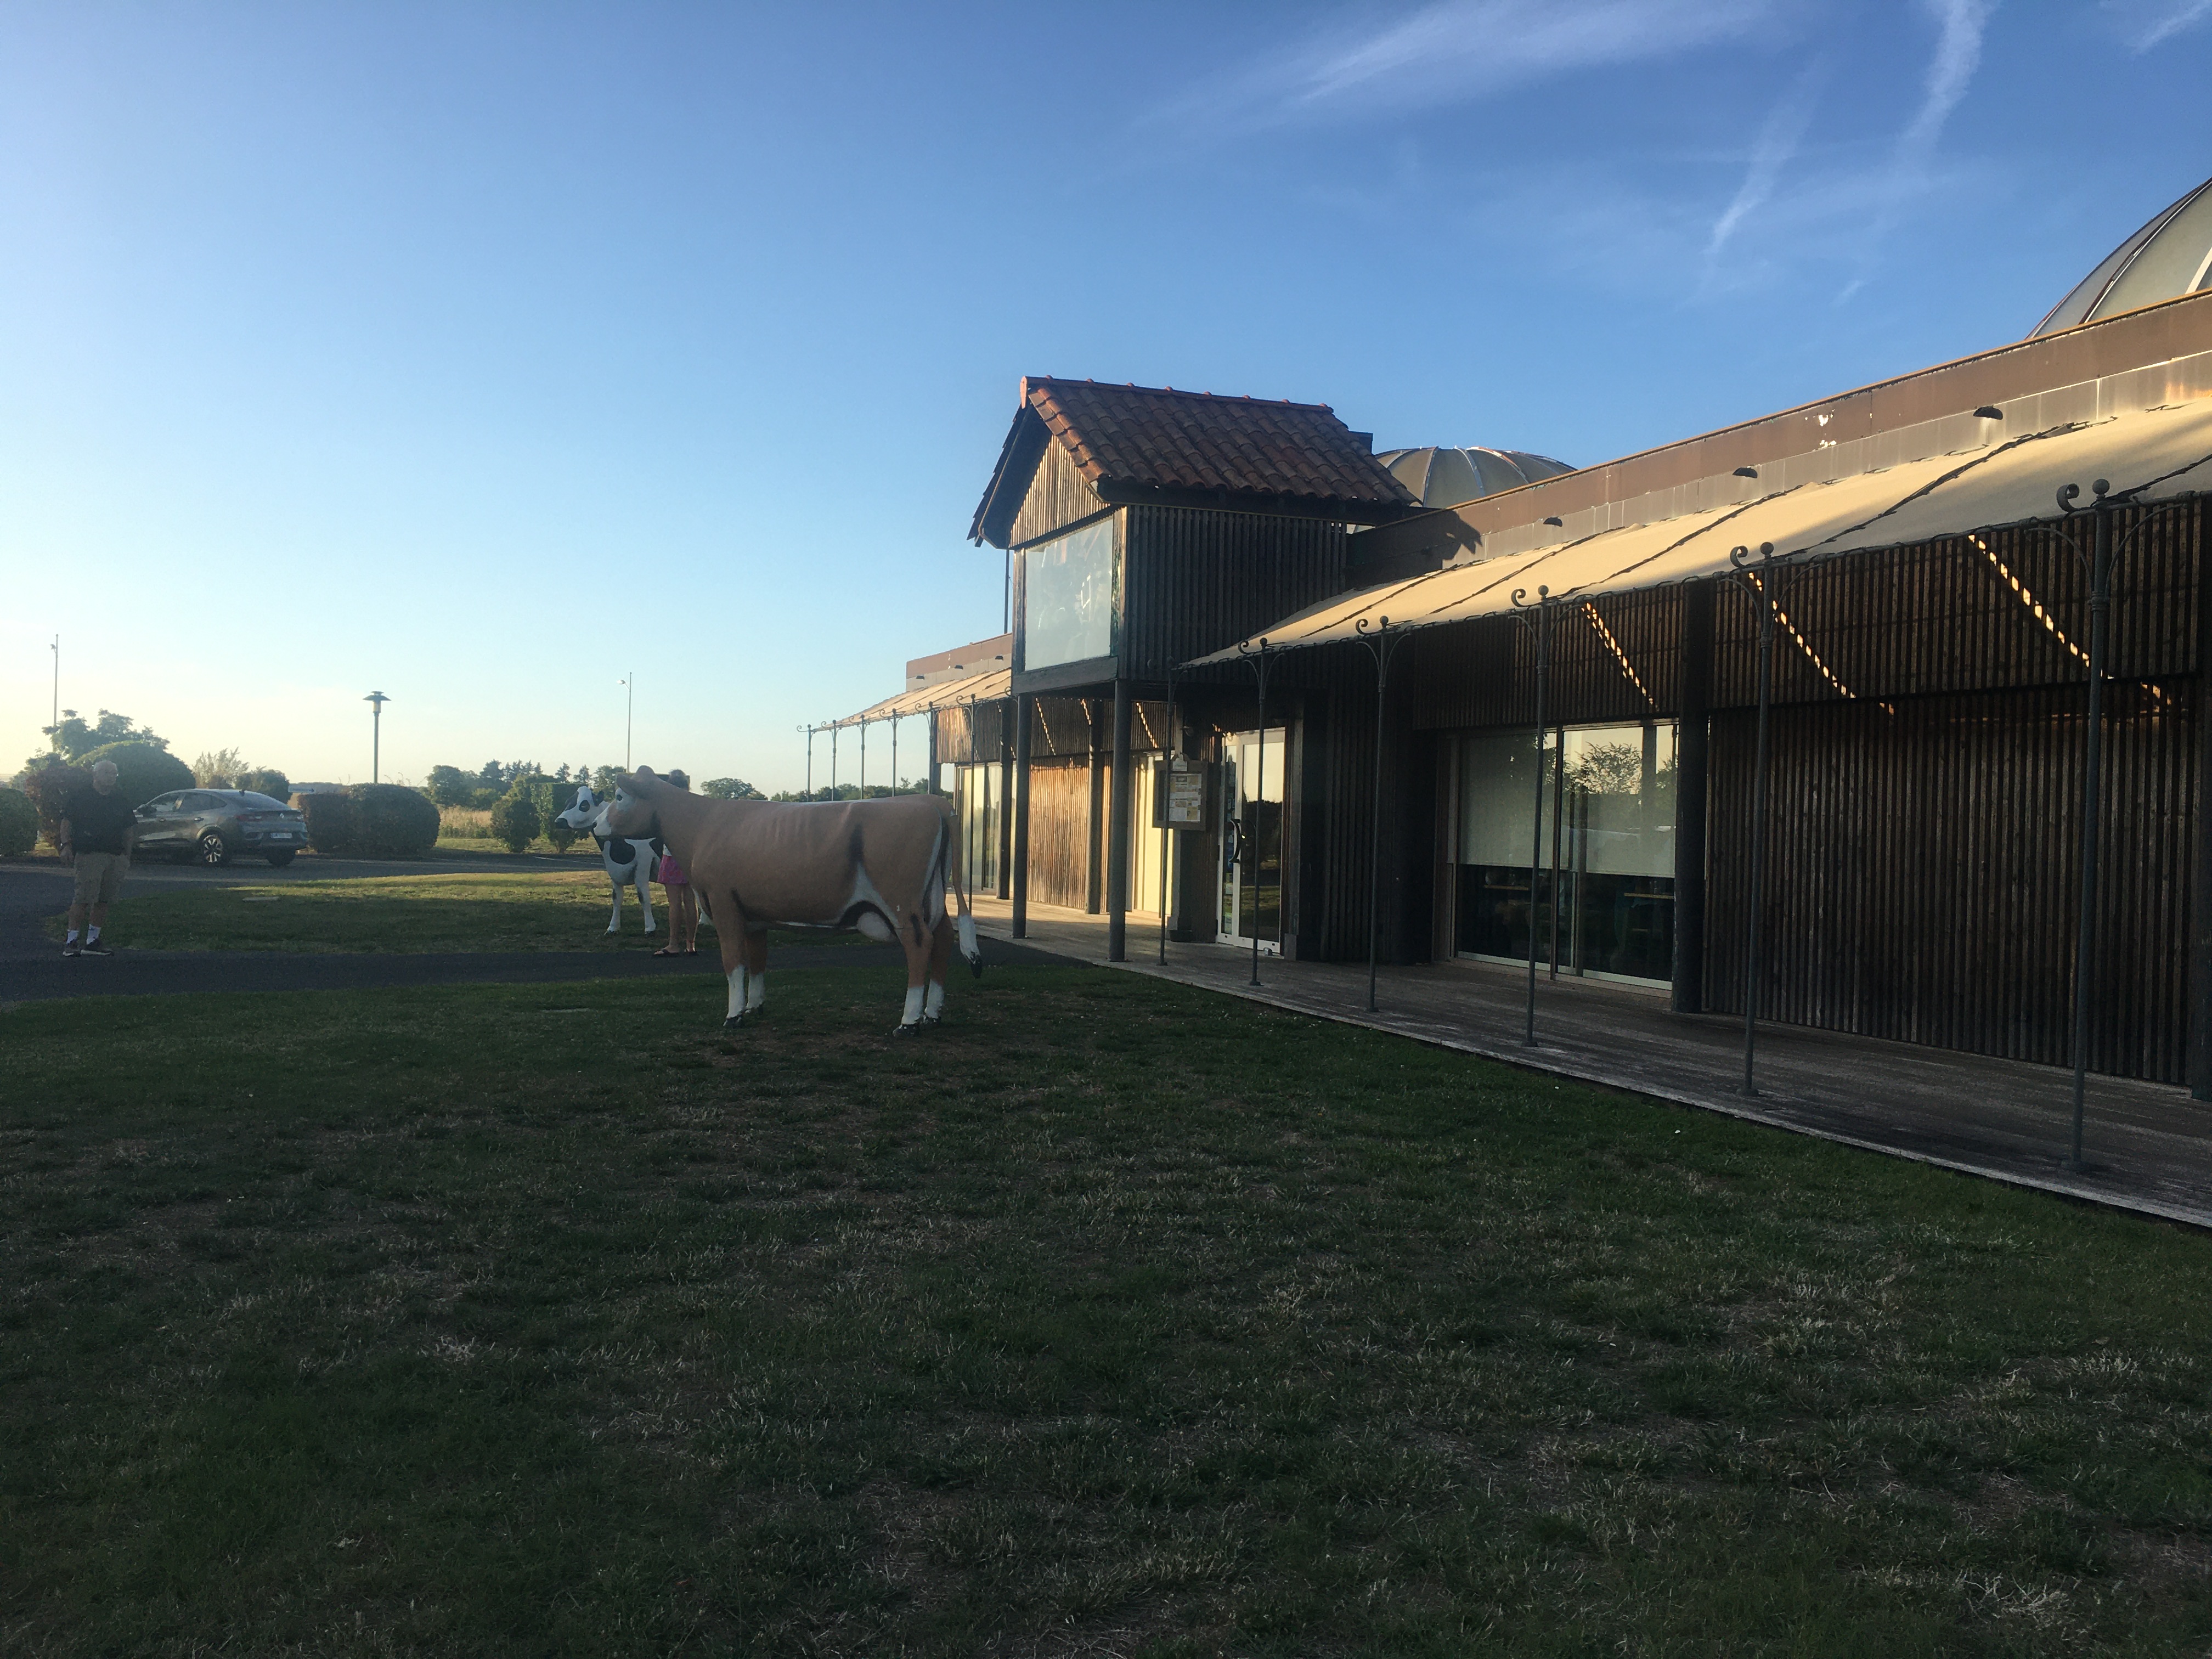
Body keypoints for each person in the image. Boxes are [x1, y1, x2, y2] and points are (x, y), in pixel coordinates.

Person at [59, 759, 138, 957]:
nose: (111, 777)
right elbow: (67, 822)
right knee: (83, 898)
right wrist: (66, 845)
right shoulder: (81, 797)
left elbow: (129, 828)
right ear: (95, 775)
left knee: (104, 900)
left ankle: (93, 941)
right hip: (89, 855)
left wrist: (127, 856)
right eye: (106, 773)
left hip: (115, 856)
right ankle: (71, 941)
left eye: (114, 773)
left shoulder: (120, 799)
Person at [653, 769, 699, 956]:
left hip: (672, 857)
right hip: (691, 857)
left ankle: (673, 944)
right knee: (690, 902)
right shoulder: (694, 805)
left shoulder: (668, 806)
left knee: (674, 903)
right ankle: (691, 944)